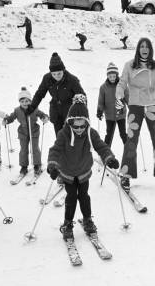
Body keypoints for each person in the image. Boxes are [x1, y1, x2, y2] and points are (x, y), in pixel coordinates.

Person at [47, 95, 119, 240]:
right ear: (70, 122)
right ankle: (67, 224)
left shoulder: (90, 133)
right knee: (72, 197)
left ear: (87, 123)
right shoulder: (64, 134)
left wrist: (109, 158)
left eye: (82, 126)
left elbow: (101, 146)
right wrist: (52, 166)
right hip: (67, 172)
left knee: (84, 197)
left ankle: (87, 220)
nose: (79, 129)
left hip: (83, 171)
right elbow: (55, 150)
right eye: (75, 126)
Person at [115, 37, 155, 196]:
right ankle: (126, 174)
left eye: (147, 47)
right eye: (141, 46)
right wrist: (119, 96)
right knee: (131, 139)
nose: (144, 49)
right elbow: (122, 83)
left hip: (151, 106)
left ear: (150, 49)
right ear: (138, 49)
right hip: (135, 106)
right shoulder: (129, 65)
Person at [25, 52, 85, 134]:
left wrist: (82, 113)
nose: (57, 76)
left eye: (59, 73)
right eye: (54, 74)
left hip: (70, 112)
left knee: (70, 136)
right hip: (56, 111)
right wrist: (32, 106)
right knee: (59, 137)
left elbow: (82, 96)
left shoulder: (72, 79)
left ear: (63, 70)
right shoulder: (47, 79)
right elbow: (40, 93)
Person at [4, 87, 49, 177]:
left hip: (34, 132)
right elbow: (12, 117)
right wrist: (7, 120)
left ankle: (37, 165)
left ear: (30, 101)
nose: (25, 103)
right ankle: (24, 166)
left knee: (35, 149)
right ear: (19, 102)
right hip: (23, 133)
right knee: (23, 150)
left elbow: (41, 114)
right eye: (22, 101)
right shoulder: (17, 110)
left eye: (27, 101)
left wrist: (44, 117)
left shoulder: (34, 108)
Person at [97, 62, 128, 147]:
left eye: (114, 76)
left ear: (117, 75)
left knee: (123, 134)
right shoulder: (103, 87)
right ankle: (106, 153)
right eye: (110, 76)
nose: (112, 78)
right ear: (107, 76)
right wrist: (100, 110)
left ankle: (129, 151)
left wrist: (132, 107)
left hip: (121, 114)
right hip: (109, 116)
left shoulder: (122, 86)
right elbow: (101, 101)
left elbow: (128, 98)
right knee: (109, 135)